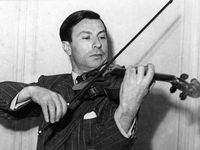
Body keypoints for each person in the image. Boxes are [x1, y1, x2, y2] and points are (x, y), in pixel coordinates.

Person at [0, 10, 155, 150]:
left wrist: (127, 111)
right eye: (87, 37)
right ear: (67, 47)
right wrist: (33, 91)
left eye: (102, 37)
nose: (98, 44)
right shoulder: (51, 84)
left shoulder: (118, 92)